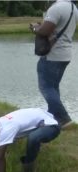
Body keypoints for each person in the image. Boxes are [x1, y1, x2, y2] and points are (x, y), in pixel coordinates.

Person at [30, 0, 78, 128]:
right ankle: (53, 117)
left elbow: (44, 31)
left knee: (45, 87)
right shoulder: (73, 8)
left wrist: (35, 27)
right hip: (65, 55)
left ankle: (64, 118)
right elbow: (56, 28)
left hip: (53, 55)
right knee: (53, 88)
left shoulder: (56, 8)